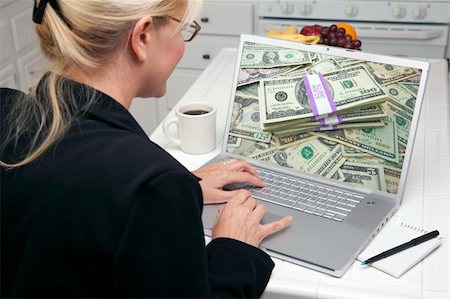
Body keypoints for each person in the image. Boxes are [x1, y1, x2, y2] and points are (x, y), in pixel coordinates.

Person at [0, 0, 292, 298]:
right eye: (183, 30)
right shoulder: (151, 185)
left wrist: (171, 193)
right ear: (142, 37)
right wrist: (234, 249)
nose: (182, 44)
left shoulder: (5, 109)